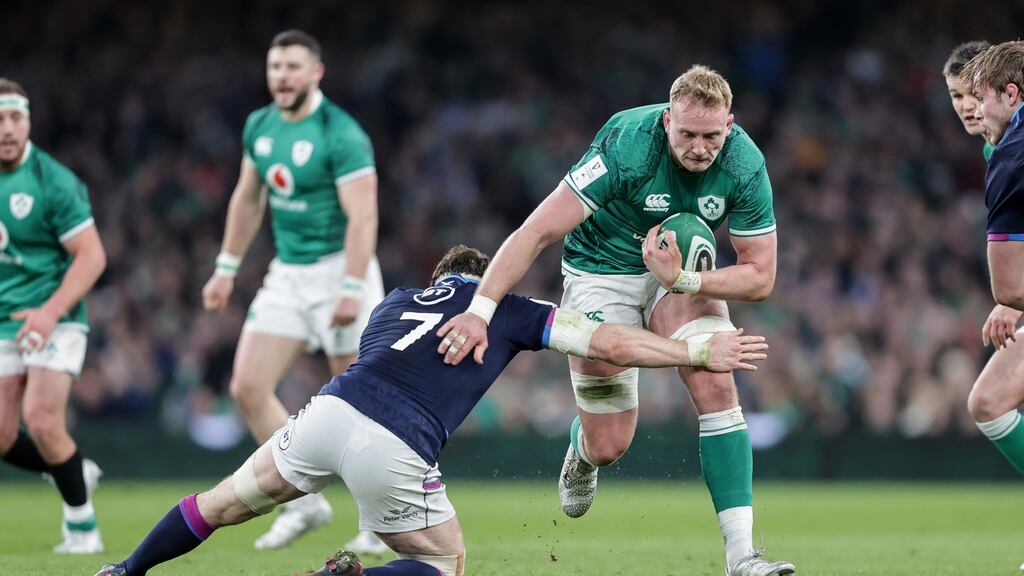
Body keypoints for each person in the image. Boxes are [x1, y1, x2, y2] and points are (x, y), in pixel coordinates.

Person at [94, 244, 769, 576]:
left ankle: (124, 570)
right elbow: (609, 340)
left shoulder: (393, 303)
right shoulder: (509, 308)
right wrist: (691, 356)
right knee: (445, 562)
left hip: (327, 411)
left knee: (220, 504)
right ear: (488, 274)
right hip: (396, 442)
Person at [436, 65, 793, 575]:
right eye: (687, 133)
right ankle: (583, 451)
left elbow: (761, 277)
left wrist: (685, 280)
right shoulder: (627, 144)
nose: (699, 147)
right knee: (611, 444)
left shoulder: (743, 163)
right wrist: (479, 312)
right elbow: (535, 232)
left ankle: (742, 557)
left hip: (677, 272)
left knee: (718, 381)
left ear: (729, 126)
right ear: (667, 121)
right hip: (600, 270)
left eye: (711, 136)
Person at [200, 29, 387, 552]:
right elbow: (247, 198)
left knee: (361, 402)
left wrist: (351, 285)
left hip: (339, 271)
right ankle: (307, 503)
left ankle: (381, 515)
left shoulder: (341, 132)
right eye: (275, 67)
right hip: (288, 273)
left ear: (315, 73)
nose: (282, 77)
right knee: (246, 387)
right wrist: (225, 267)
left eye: (292, 67)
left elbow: (362, 214)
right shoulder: (259, 126)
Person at [0, 78, 107, 553]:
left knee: (41, 420)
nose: (6, 128)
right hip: (5, 317)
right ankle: (70, 468)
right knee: (2, 436)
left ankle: (82, 530)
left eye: (15, 117)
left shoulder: (53, 181)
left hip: (56, 313)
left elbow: (91, 256)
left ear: (28, 121)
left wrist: (49, 312)